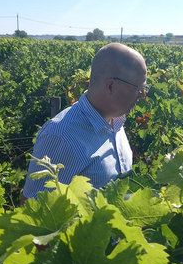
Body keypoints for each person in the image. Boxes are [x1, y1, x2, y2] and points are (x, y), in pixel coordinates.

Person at [22, 43, 147, 200]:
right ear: (110, 86)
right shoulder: (61, 135)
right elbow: (34, 213)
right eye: (139, 88)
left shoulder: (116, 122)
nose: (143, 94)